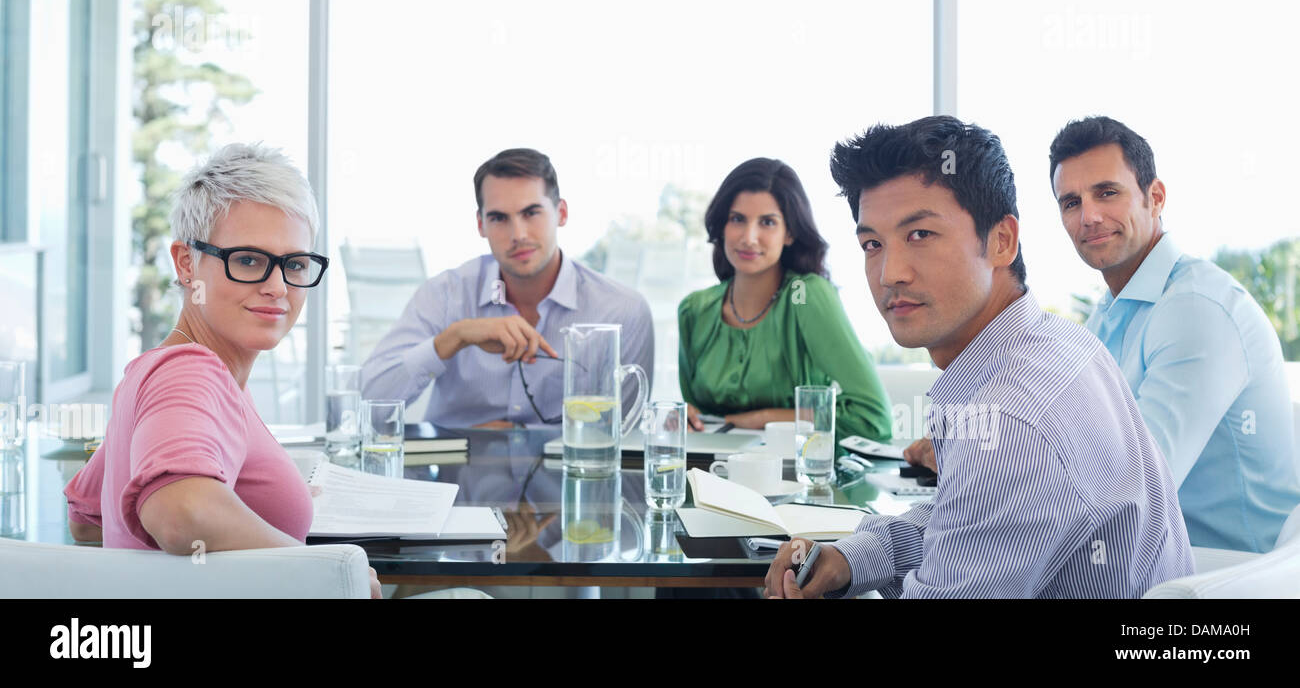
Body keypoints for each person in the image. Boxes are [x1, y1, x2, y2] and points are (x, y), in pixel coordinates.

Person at [765, 116, 1193, 598]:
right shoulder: (1058, 343)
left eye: (921, 234)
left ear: (1002, 241)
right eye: (873, 245)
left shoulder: (1007, 420)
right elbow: (964, 514)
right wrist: (849, 557)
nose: (890, 273)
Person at [63, 144, 381, 598]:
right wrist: (322, 571)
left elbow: (87, 520)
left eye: (294, 264)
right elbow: (180, 513)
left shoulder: (153, 371)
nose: (277, 288)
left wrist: (260, 507)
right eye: (248, 260)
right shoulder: (191, 373)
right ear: (186, 263)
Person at [1049, 115, 1300, 552]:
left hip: (1230, 575)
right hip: (1156, 561)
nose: (1089, 216)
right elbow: (1071, 442)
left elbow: (1133, 490)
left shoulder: (1196, 308)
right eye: (1071, 202)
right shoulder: (1110, 313)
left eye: (1107, 193)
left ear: (1155, 197)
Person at [362, 148, 653, 427]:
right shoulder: (446, 294)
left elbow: (623, 434)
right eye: (499, 218)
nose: (518, 234)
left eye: (531, 213)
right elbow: (367, 404)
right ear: (480, 225)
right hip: (458, 473)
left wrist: (528, 440)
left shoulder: (622, 311)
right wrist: (455, 336)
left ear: (561, 213)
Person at [677, 158, 891, 442]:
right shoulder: (694, 310)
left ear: (789, 232)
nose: (749, 238)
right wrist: (687, 416)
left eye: (767, 222)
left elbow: (873, 418)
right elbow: (699, 417)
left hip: (797, 475)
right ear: (722, 225)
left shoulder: (807, 295)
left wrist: (763, 419)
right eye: (737, 219)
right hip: (708, 474)